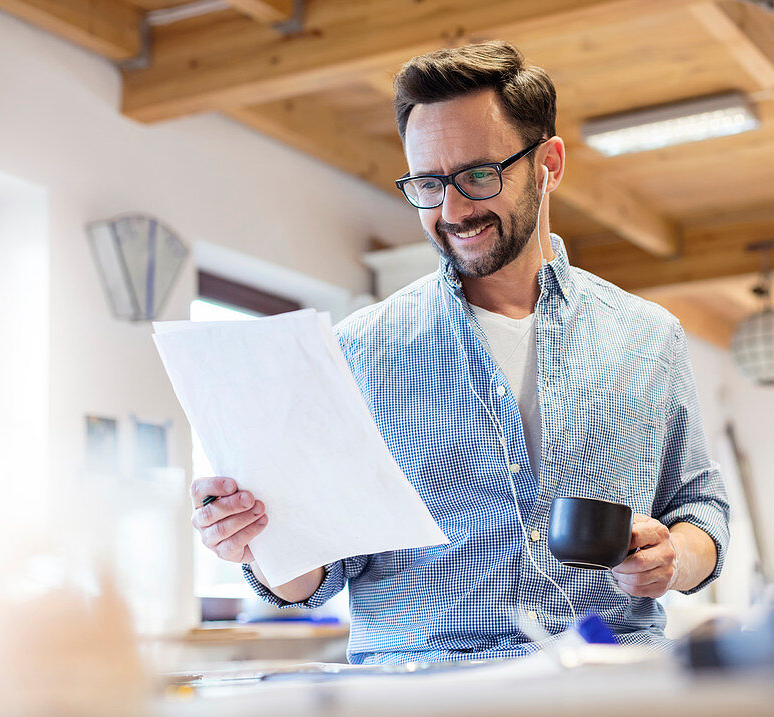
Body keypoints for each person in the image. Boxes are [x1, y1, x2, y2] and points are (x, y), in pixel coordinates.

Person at [189, 41, 729, 664]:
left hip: (608, 681)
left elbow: (700, 509)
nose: (452, 210)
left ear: (549, 164)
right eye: (427, 183)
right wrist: (256, 542)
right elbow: (322, 574)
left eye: (478, 175)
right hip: (424, 691)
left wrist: (673, 559)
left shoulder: (646, 335)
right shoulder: (360, 349)